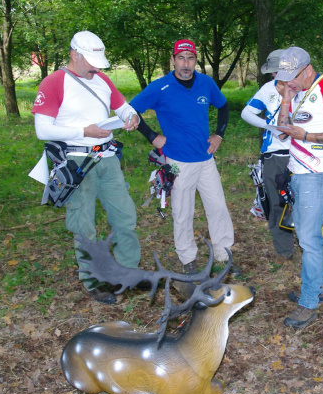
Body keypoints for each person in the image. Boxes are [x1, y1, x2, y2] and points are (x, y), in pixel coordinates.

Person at [32, 31, 141, 304]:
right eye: (91, 61)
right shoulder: (54, 82)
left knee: (125, 217)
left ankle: (128, 273)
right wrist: (84, 131)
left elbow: (123, 107)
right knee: (84, 225)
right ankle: (92, 280)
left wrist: (131, 117)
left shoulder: (102, 80)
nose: (95, 68)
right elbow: (42, 129)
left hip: (108, 159)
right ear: (74, 54)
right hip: (77, 162)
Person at [130, 39, 237, 279]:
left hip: (205, 157)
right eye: (181, 58)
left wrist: (219, 134)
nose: (185, 64)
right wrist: (151, 136)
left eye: (190, 58)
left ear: (196, 60)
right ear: (173, 60)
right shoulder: (160, 87)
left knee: (217, 206)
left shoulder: (206, 83)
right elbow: (131, 111)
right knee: (183, 211)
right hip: (178, 161)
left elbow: (224, 106)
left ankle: (223, 255)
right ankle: (188, 260)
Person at [275, 47, 323, 329]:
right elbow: (282, 128)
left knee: (308, 239)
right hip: (299, 172)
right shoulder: (296, 91)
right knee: (308, 236)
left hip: (317, 173)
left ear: (307, 68)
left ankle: (308, 303)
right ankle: (320, 288)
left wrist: (307, 135)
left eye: (292, 77)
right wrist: (286, 97)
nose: (290, 82)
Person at [241, 49, 295, 263]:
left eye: (278, 71)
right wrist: (269, 127)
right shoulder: (267, 89)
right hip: (274, 154)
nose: (275, 76)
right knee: (276, 203)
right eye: (273, 73)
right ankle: (284, 251)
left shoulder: (303, 87)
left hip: (301, 153)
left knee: (306, 202)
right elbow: (246, 113)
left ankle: (316, 247)